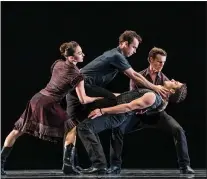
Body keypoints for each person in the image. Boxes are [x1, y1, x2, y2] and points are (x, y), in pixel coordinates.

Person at [65, 31, 169, 174]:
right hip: (81, 87)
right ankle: (96, 165)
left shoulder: (113, 54)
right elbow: (134, 75)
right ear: (124, 44)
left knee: (78, 126)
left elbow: (134, 86)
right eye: (133, 47)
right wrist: (154, 87)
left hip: (79, 90)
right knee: (112, 101)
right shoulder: (116, 55)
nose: (135, 51)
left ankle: (73, 165)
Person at [1, 41, 103, 176]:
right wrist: (98, 98)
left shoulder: (57, 64)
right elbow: (83, 99)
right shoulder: (78, 76)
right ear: (71, 58)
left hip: (36, 98)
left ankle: (1, 162)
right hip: (48, 102)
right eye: (79, 53)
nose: (83, 54)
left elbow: (57, 80)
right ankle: (67, 166)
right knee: (71, 127)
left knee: (17, 130)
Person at [108, 47, 195, 174]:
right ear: (150, 60)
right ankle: (115, 166)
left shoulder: (165, 79)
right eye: (159, 62)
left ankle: (185, 166)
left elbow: (168, 99)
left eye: (164, 62)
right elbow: (132, 97)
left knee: (178, 130)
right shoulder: (138, 77)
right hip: (137, 114)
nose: (162, 65)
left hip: (156, 114)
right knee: (117, 128)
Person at [77, 79, 187, 175]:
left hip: (117, 115)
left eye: (175, 83)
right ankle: (99, 165)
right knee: (85, 123)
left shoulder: (152, 97)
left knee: (84, 128)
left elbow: (128, 107)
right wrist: (101, 96)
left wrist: (102, 111)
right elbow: (126, 96)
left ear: (172, 91)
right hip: (114, 105)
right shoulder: (153, 93)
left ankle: (99, 166)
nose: (172, 79)